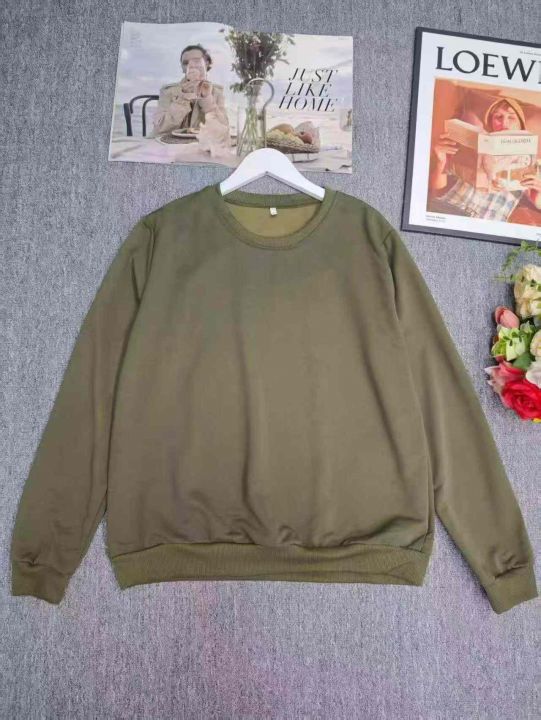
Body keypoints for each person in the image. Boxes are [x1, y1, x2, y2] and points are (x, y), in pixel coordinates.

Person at [429, 96, 541, 221]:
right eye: (498, 117)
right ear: (491, 123)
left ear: (521, 125)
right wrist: (440, 162)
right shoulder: (469, 147)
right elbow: (437, 191)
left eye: (511, 117)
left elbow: (538, 204)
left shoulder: (531, 162)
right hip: (450, 209)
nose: (504, 123)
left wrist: (539, 189)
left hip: (485, 222)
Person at [150, 44, 230, 139]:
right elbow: (159, 129)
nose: (191, 66)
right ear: (182, 68)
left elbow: (223, 130)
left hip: (200, 145)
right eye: (185, 63)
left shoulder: (216, 92)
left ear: (206, 64)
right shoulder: (168, 91)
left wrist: (206, 99)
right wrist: (183, 98)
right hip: (170, 144)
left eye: (196, 61)